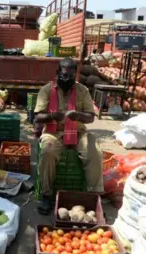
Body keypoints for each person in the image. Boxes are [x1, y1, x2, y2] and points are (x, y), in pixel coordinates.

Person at [34, 58, 104, 215]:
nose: (68, 79)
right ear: (57, 73)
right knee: (47, 151)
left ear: (76, 75)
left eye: (72, 76)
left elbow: (91, 117)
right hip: (54, 132)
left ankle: (94, 197)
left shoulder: (82, 90)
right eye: (64, 75)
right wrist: (53, 116)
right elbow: (37, 117)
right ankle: (46, 195)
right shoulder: (46, 90)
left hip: (78, 132)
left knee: (94, 151)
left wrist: (78, 115)